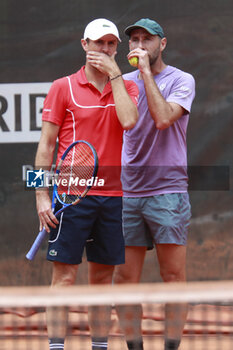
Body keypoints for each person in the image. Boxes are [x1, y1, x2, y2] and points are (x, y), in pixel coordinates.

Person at [34, 18, 138, 350]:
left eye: (110, 44)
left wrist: (115, 75)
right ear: (84, 45)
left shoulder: (127, 86)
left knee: (101, 282)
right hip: (70, 197)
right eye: (98, 43)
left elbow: (129, 121)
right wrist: (41, 196)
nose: (104, 49)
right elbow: (46, 146)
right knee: (64, 278)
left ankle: (99, 347)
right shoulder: (62, 87)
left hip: (113, 197)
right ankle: (56, 347)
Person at [114, 18, 195, 350]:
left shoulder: (181, 80)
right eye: (133, 39)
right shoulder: (121, 82)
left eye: (146, 39)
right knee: (124, 279)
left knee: (173, 278)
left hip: (168, 192)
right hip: (128, 192)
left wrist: (145, 72)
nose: (138, 45)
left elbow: (163, 118)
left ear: (162, 44)